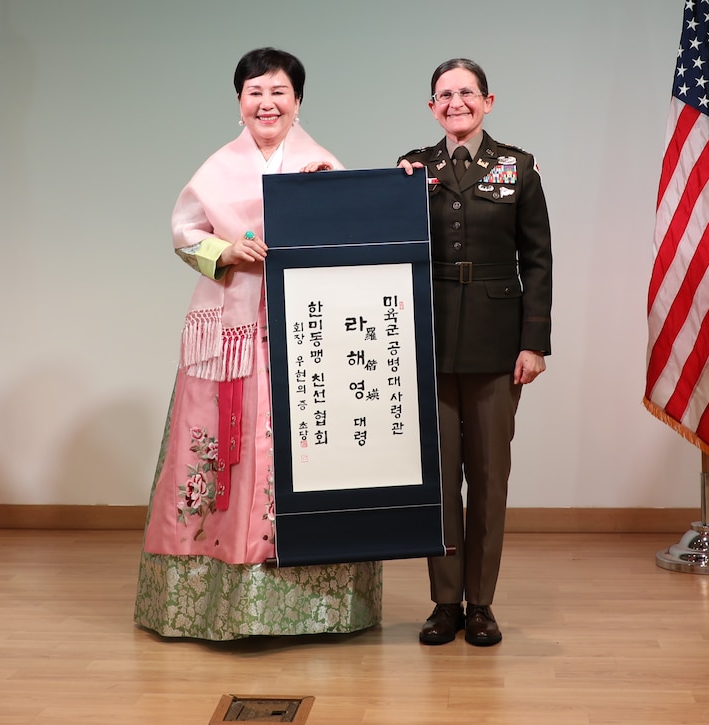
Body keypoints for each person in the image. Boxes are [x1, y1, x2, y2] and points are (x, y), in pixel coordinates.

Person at [135, 48, 382, 640]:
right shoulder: (216, 168)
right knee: (219, 453)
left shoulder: (321, 166)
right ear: (239, 101)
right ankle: (208, 605)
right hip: (227, 342)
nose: (266, 103)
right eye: (254, 92)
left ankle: (315, 606)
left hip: (302, 337)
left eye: (278, 92)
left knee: (300, 452)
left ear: (298, 101)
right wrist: (226, 252)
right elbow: (185, 235)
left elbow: (347, 241)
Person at [398, 58, 552, 646]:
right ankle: (444, 603)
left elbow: (538, 259)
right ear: (432, 107)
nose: (455, 101)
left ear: (488, 101)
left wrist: (533, 343)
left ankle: (481, 603)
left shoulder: (519, 168)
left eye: (466, 92)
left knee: (489, 478)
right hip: (429, 342)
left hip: (496, 344)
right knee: (438, 480)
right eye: (444, 94)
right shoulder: (414, 169)